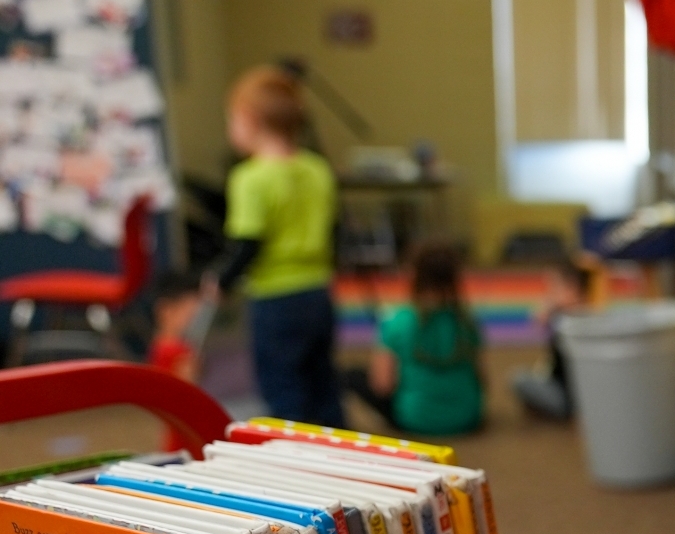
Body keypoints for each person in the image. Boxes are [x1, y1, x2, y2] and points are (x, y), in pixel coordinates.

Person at [204, 65, 344, 427]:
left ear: (250, 120)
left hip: (275, 299)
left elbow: (248, 243)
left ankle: (294, 462)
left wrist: (221, 281)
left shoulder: (250, 178)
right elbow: (333, 228)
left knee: (283, 388)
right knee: (323, 383)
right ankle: (341, 455)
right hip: (318, 292)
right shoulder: (317, 169)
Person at [343, 241, 485, 435]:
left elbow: (382, 385)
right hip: (467, 417)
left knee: (350, 375)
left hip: (415, 419)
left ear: (414, 275)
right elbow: (482, 379)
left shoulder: (398, 321)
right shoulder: (468, 323)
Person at [513, 254, 595, 420]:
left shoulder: (566, 322)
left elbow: (537, 319)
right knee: (538, 371)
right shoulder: (581, 316)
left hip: (568, 399)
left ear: (572, 289)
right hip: (586, 397)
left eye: (554, 289)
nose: (549, 295)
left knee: (518, 378)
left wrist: (548, 308)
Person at [147, 269, 205, 384]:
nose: (193, 320)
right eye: (188, 313)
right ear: (165, 310)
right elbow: (187, 390)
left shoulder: (158, 346)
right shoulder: (174, 351)